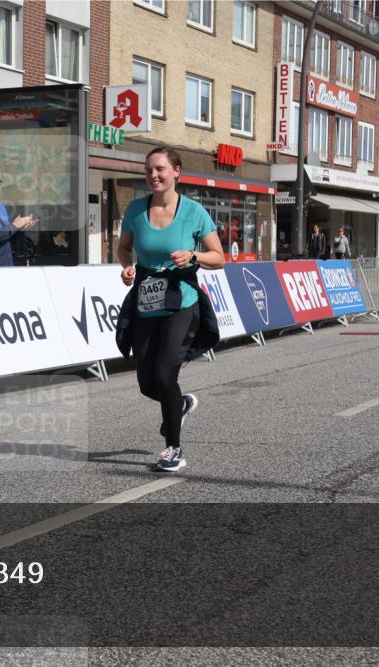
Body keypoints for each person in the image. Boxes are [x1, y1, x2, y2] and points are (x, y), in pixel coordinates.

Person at [115, 146, 224, 473]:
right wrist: (126, 267)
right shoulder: (136, 210)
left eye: (160, 169)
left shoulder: (193, 212)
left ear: (176, 171)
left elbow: (219, 258)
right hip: (146, 302)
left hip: (182, 301)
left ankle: (173, 449)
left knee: (165, 374)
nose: (153, 175)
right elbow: (124, 248)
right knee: (148, 383)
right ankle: (180, 404)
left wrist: (194, 256)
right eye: (149, 170)